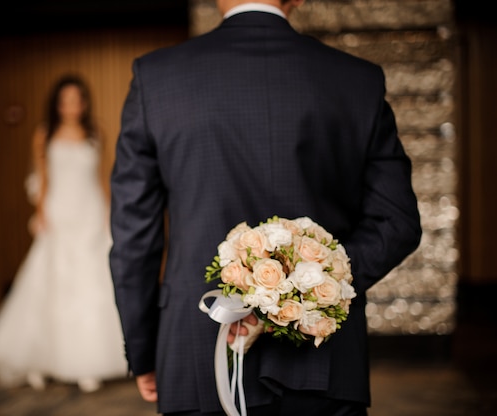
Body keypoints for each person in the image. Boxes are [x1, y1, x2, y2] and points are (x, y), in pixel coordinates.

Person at [109, 0, 422, 415]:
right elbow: (396, 222)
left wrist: (145, 351)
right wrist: (308, 288)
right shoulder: (356, 80)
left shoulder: (157, 78)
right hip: (324, 355)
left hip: (195, 353)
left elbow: (135, 238)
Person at [0, 74, 127, 393]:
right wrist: (41, 213)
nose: (71, 105)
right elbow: (41, 178)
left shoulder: (95, 132)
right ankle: (38, 361)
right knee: (51, 285)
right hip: (59, 215)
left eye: (77, 99)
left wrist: (108, 213)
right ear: (57, 104)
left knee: (91, 284)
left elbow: (103, 177)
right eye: (65, 99)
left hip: (90, 213)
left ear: (84, 103)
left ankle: (88, 361)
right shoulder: (44, 134)